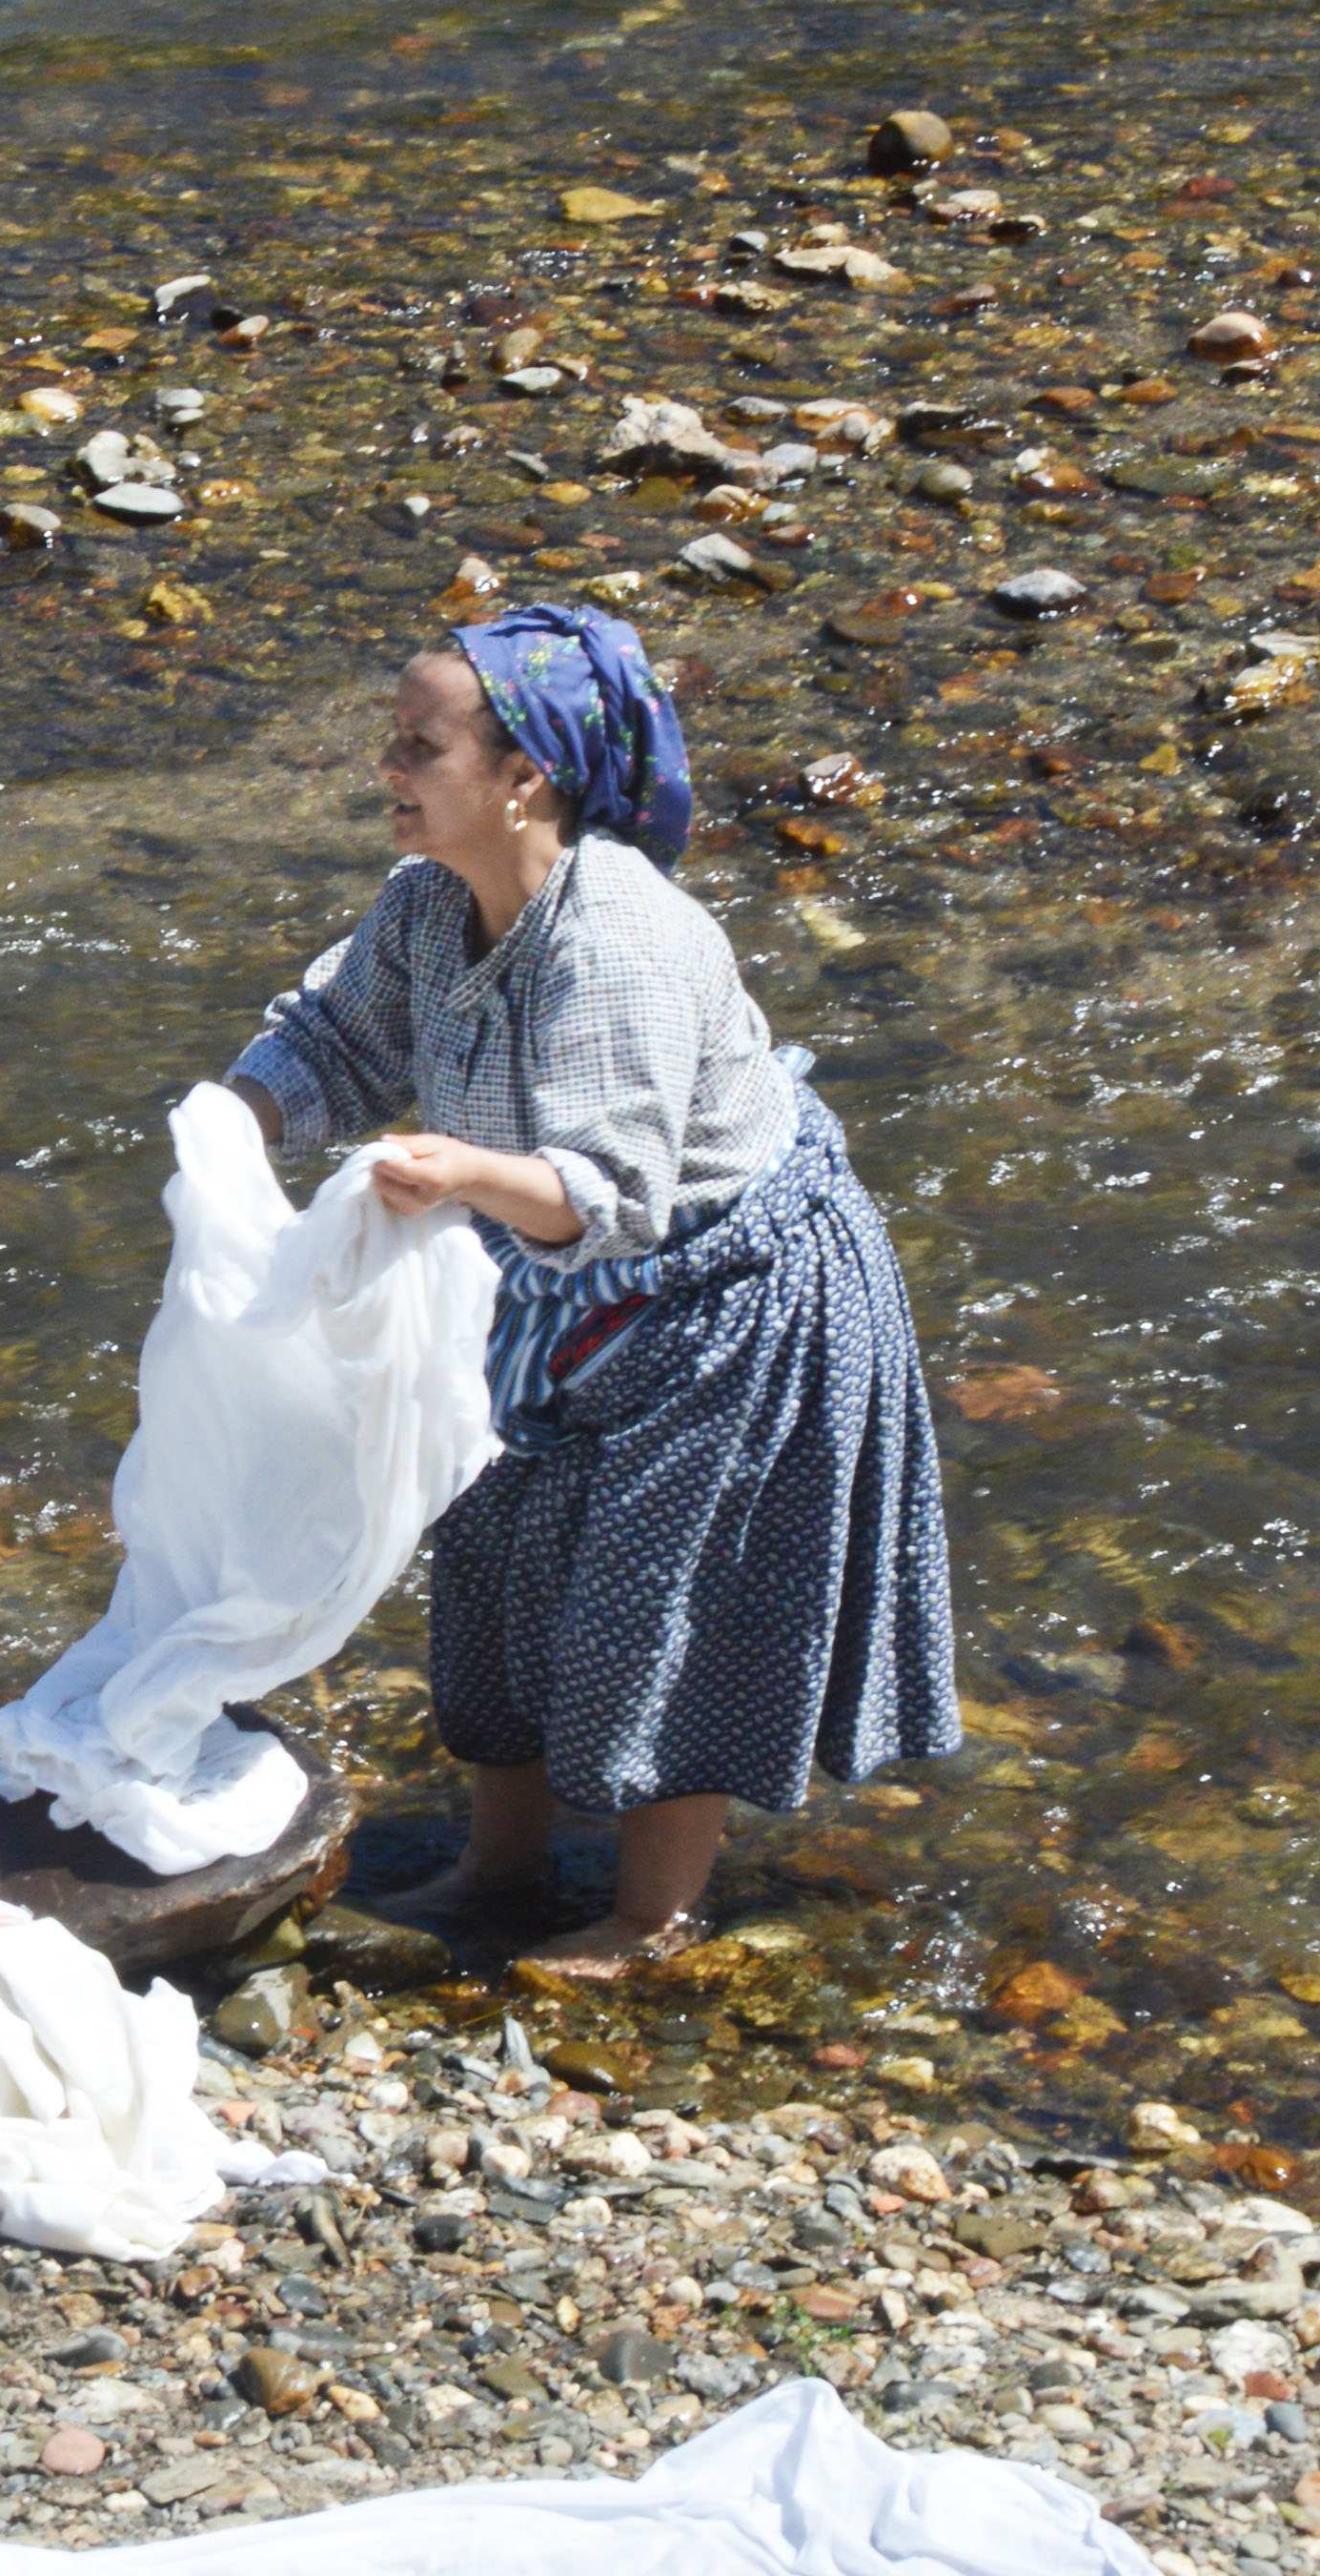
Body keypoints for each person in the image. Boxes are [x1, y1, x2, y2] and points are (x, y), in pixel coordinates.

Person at [221, 601, 955, 1974]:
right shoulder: (430, 901)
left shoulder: (619, 941)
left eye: (419, 744)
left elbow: (611, 1192)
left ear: (525, 776)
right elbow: (335, 1036)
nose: (388, 765)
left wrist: (454, 1171)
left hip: (727, 1305)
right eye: (396, 737)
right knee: (492, 1564)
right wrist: (235, 1120)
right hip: (545, 1291)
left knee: (666, 1599)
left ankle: (646, 1920)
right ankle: (496, 1871)